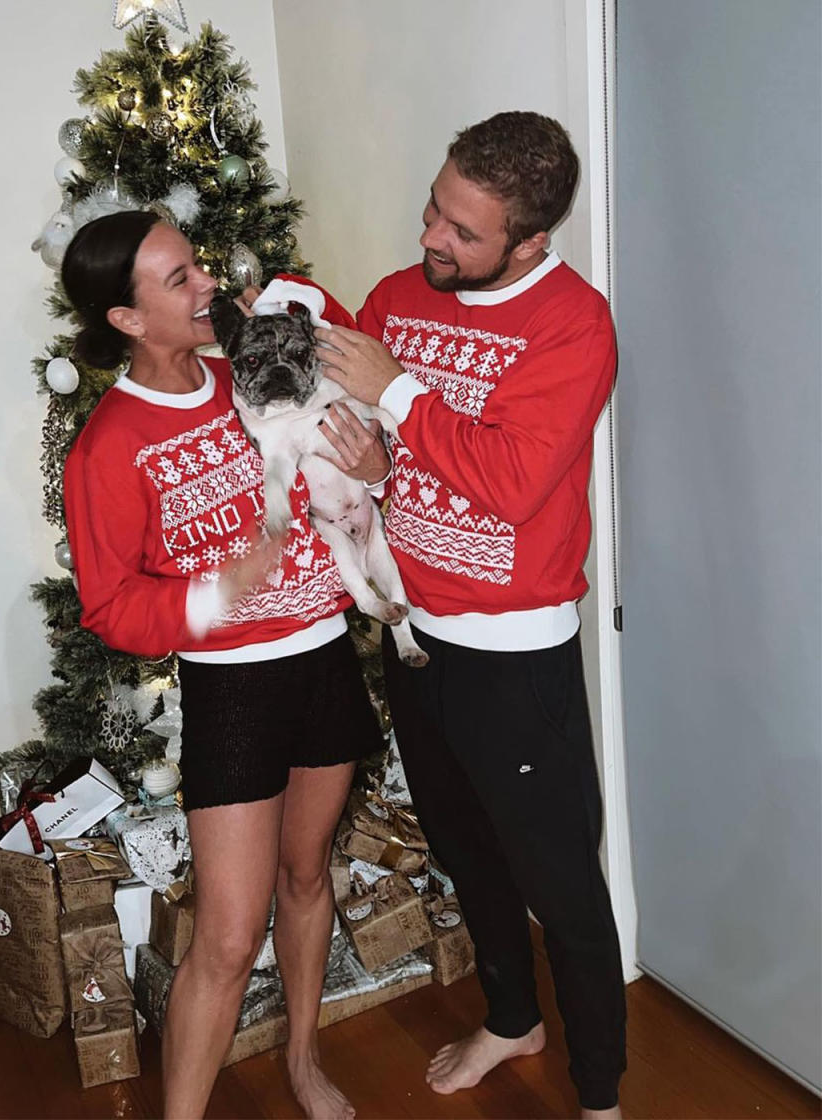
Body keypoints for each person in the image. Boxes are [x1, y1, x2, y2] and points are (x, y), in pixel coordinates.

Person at [312, 112, 627, 1119]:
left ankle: (602, 1093)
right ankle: (510, 1015)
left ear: (528, 239)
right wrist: (370, 451)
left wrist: (399, 397)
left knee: (563, 889)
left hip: (514, 657)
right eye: (434, 208)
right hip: (414, 636)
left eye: (460, 228)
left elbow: (516, 483)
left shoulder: (573, 323)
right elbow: (368, 436)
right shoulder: (400, 300)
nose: (429, 237)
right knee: (463, 847)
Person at [60, 211, 382, 1120]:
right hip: (233, 683)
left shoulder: (252, 365)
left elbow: (341, 353)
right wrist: (215, 591)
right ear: (126, 319)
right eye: (177, 279)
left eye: (197, 265)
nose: (205, 284)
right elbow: (110, 605)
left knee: (308, 875)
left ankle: (303, 1059)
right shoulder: (109, 445)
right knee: (231, 935)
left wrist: (372, 457)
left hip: (322, 655)